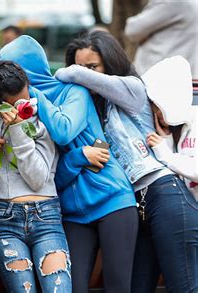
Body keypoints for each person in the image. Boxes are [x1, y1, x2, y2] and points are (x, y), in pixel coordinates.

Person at [56, 30, 198, 292]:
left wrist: (59, 75)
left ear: (109, 63)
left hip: (164, 195)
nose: (86, 73)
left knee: (184, 287)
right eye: (81, 66)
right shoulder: (90, 109)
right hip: (135, 206)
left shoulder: (131, 89)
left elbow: (74, 76)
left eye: (93, 66)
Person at [0, 35, 138, 293]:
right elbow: (53, 176)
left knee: (118, 286)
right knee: (72, 288)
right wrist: (78, 157)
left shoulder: (74, 92)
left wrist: (36, 94)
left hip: (113, 200)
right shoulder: (22, 109)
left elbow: (64, 131)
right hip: (72, 212)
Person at [0, 42, 71, 293]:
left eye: (27, 96)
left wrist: (18, 129)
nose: (25, 106)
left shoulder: (41, 113)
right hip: (5, 216)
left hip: (46, 212)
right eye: (16, 104)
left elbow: (38, 178)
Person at [143, 56, 198, 200]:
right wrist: (167, 140)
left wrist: (165, 152)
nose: (157, 112)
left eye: (161, 105)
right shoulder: (176, 130)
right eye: (154, 106)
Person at [124, 0, 198, 77]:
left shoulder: (173, 2)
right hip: (179, 72)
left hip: (159, 74)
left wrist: (147, 35)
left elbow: (132, 29)